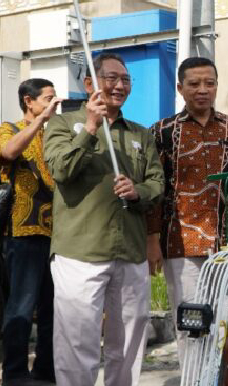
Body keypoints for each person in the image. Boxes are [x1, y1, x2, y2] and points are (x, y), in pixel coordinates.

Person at [44, 53, 164, 386]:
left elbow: (157, 184)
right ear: (89, 84)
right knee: (77, 342)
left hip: (130, 251)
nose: (120, 85)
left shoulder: (140, 134)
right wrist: (91, 128)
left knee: (128, 341)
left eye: (126, 79)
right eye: (111, 78)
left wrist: (137, 190)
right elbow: (60, 170)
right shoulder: (62, 125)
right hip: (80, 253)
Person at [148, 57, 228, 367]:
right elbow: (154, 189)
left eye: (209, 83)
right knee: (190, 323)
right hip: (181, 242)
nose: (203, 90)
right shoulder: (162, 131)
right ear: (180, 88)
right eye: (194, 84)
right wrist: (152, 238)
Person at [0, 79, 61, 386]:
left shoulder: (55, 134)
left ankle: (46, 372)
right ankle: (15, 374)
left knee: (53, 309)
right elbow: (8, 153)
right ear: (29, 101)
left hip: (57, 234)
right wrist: (38, 124)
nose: (54, 103)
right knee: (21, 306)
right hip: (22, 233)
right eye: (48, 99)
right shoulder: (9, 128)